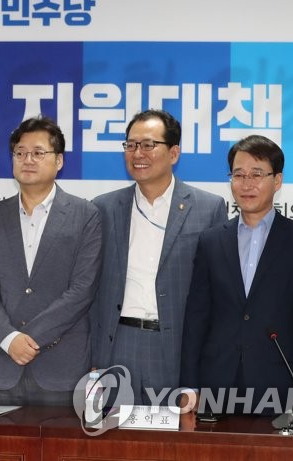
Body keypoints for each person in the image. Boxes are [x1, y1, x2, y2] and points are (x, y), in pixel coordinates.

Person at [180, 135, 293, 415]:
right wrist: (189, 384)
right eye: (238, 175)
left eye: (257, 174)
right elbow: (196, 317)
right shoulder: (211, 241)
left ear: (277, 180)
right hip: (217, 382)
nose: (246, 184)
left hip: (279, 383)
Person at [91, 109, 226, 405]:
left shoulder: (208, 208)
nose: (138, 153)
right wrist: (94, 360)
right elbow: (90, 288)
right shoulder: (104, 208)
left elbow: (217, 297)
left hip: (176, 349)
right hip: (117, 345)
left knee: (174, 433)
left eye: (148, 145)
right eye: (131, 145)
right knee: (113, 432)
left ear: (174, 153)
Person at [0, 116, 102, 406]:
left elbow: (83, 290)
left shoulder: (85, 215)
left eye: (38, 152)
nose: (28, 159)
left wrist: (28, 338)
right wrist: (8, 339)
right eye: (20, 152)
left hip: (62, 368)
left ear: (59, 161)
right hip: (2, 367)